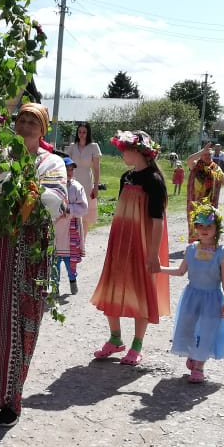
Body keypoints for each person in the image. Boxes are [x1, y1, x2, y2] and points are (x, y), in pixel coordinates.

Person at [0, 97, 67, 425]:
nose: (25, 125)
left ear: (42, 128)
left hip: (26, 252)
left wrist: (23, 194)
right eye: (21, 119)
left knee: (17, 325)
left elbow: (55, 202)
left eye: (33, 121)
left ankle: (10, 401)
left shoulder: (52, 163)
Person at [90, 130, 170, 367]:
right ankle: (115, 339)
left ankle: (136, 345)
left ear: (139, 151)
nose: (121, 152)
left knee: (140, 291)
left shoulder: (153, 180)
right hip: (120, 241)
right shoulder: (126, 177)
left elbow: (158, 221)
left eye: (125, 148)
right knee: (111, 286)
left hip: (141, 244)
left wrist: (153, 253)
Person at [165, 203, 224, 383]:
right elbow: (180, 271)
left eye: (209, 226)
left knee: (208, 330)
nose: (204, 230)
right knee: (187, 327)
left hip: (212, 299)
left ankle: (200, 366)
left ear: (217, 228)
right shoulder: (191, 249)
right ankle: (193, 354)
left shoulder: (222, 253)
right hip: (192, 297)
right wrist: (159, 269)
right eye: (200, 226)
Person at [53, 156, 89, 296]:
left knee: (70, 259)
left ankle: (72, 280)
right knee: (55, 259)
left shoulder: (76, 187)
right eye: (66, 169)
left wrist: (69, 209)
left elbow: (83, 208)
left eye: (71, 169)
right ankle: (54, 287)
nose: (69, 172)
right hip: (57, 227)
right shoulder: (54, 185)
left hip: (71, 228)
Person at [65, 122, 102, 236]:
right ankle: (71, 240)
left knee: (85, 213)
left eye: (84, 132)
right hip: (72, 181)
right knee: (71, 209)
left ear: (88, 133)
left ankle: (83, 242)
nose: (81, 134)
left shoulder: (93, 147)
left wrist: (96, 187)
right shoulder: (72, 146)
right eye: (79, 132)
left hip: (87, 182)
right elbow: (66, 164)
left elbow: (96, 168)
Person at [184, 142, 224, 242]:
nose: (207, 156)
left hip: (210, 203)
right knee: (196, 224)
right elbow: (189, 160)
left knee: (208, 225)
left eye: (209, 154)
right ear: (200, 156)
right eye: (205, 154)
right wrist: (203, 151)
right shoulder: (195, 166)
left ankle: (207, 243)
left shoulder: (216, 168)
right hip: (195, 203)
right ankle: (194, 245)